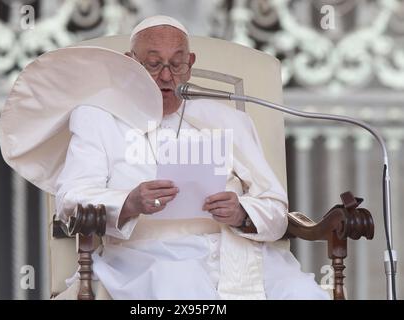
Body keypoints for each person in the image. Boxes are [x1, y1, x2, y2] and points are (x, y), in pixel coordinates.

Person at [52, 15, 329, 300]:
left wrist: (243, 213)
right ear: (130, 62)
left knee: (302, 292)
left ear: (190, 64)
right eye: (154, 63)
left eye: (177, 64)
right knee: (182, 287)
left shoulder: (228, 119)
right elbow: (70, 200)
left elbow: (275, 208)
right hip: (146, 258)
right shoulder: (99, 118)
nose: (166, 76)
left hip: (238, 255)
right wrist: (129, 202)